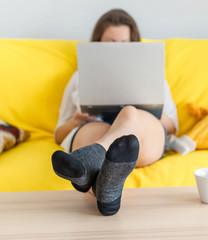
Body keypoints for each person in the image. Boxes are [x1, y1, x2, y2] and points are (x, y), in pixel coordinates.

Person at [51, 9, 178, 216]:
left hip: (142, 135)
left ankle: (91, 159)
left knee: (129, 114)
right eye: (110, 42)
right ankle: (108, 189)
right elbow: (58, 134)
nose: (117, 49)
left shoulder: (152, 75)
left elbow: (173, 125)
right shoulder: (78, 77)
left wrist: (148, 106)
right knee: (100, 132)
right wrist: (75, 121)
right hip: (95, 128)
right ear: (98, 43)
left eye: (124, 43)